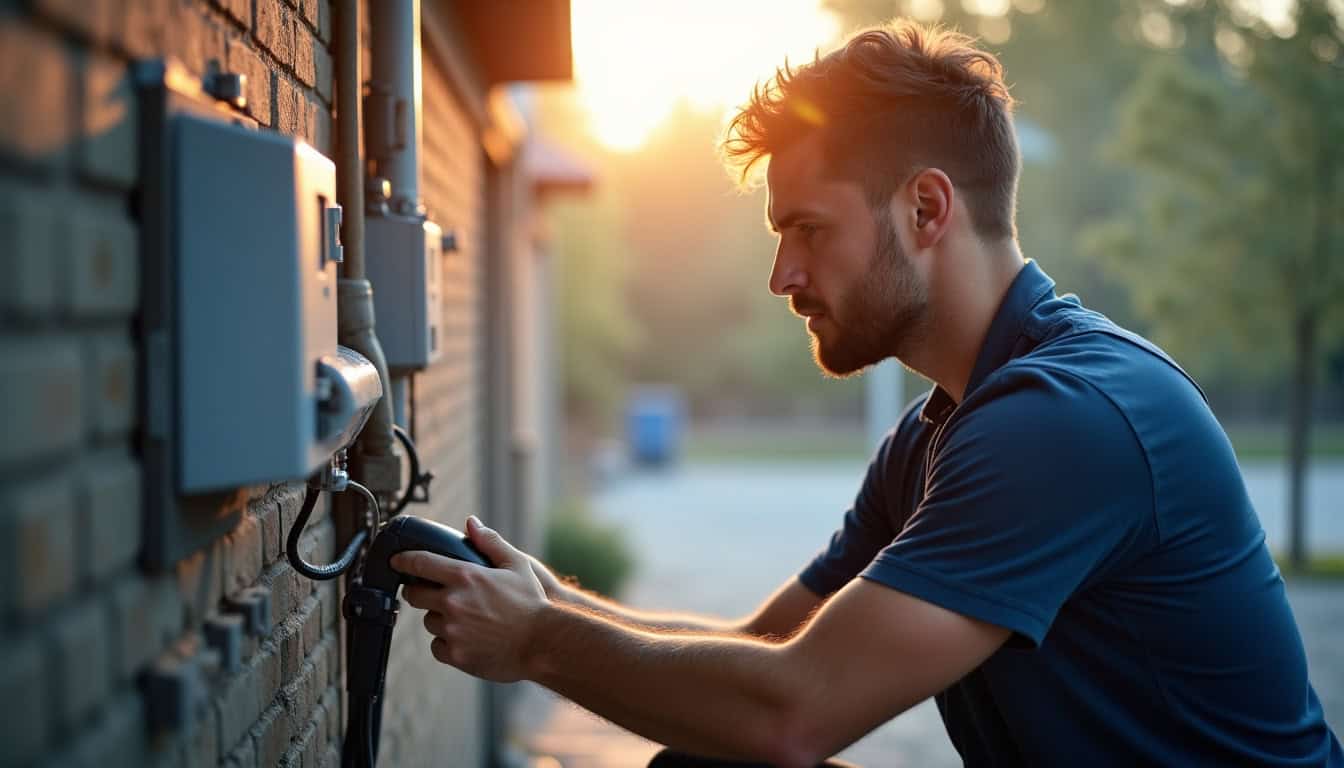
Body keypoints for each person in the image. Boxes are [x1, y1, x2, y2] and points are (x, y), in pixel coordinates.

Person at [391, 20, 1343, 768]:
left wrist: (539, 644)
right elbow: (764, 649)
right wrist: (550, 602)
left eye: (807, 228)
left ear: (927, 209)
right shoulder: (941, 431)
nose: (782, 276)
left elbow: (792, 714)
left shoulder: (1063, 420)